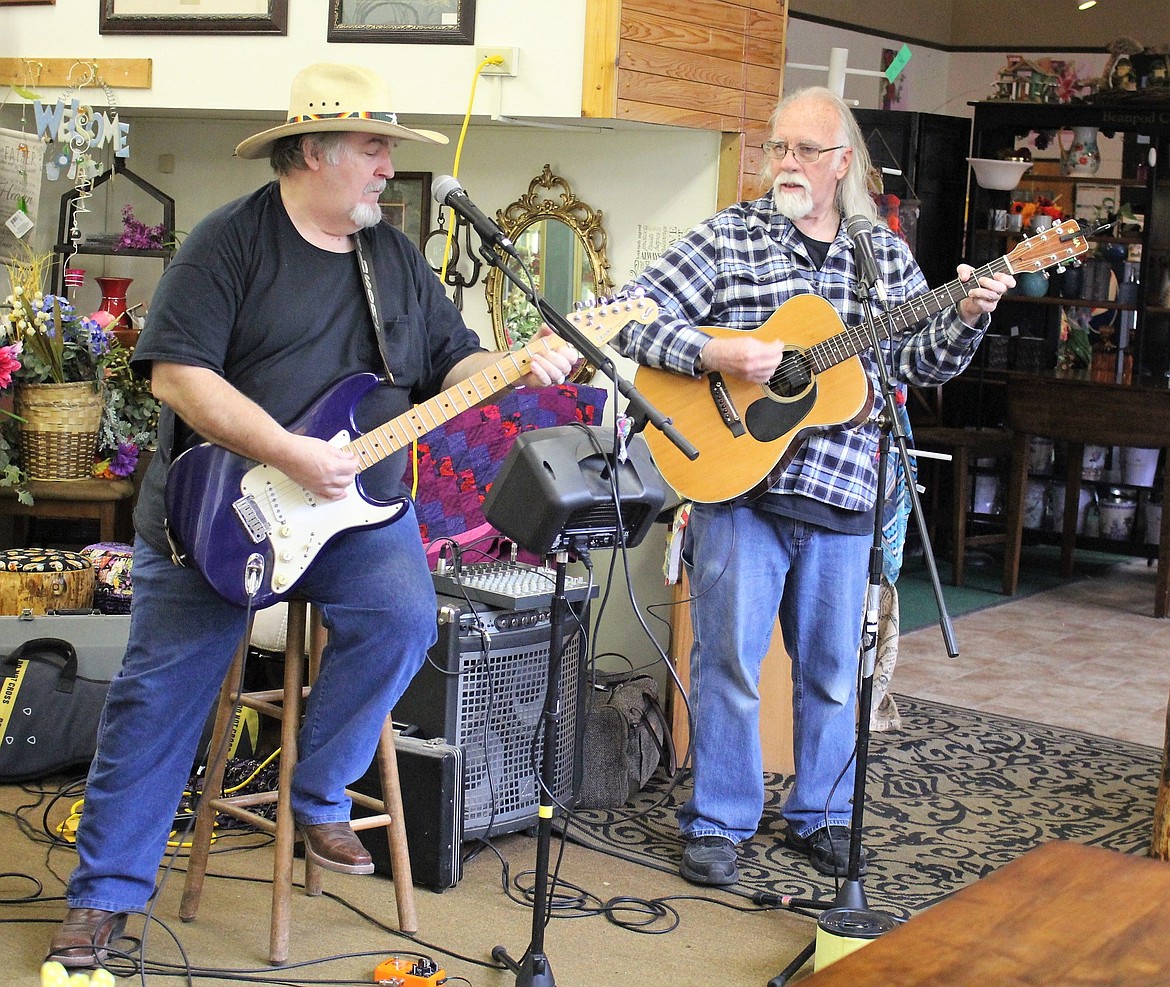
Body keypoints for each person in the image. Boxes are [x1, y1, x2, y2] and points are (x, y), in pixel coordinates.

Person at [46, 62, 578, 968]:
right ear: (313, 152)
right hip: (216, 511)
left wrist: (510, 364)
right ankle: (104, 898)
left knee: (406, 615)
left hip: (352, 512)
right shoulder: (230, 243)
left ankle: (319, 785)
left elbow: (451, 361)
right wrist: (289, 453)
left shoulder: (394, 260)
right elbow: (178, 375)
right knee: (157, 699)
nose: (384, 167)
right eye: (372, 149)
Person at [616, 86, 1013, 885]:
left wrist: (966, 313)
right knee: (727, 662)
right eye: (776, 148)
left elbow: (914, 362)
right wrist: (714, 356)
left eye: (804, 150)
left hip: (843, 491)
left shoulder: (883, 255)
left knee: (834, 672)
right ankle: (719, 820)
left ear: (843, 164)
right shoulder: (729, 236)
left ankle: (823, 815)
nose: (785, 163)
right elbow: (623, 316)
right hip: (738, 489)